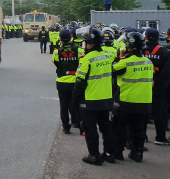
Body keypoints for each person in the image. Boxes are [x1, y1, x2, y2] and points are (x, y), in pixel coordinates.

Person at [70, 27, 115, 165]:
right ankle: (109, 153)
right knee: (106, 127)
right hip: (106, 99)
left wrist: (73, 100)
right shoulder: (108, 57)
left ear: (89, 44)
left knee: (90, 128)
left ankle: (94, 155)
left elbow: (79, 82)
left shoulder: (87, 59)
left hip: (90, 100)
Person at [112, 32, 154, 162]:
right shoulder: (148, 62)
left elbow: (112, 70)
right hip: (144, 102)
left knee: (120, 128)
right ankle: (137, 153)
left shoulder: (125, 63)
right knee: (139, 128)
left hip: (126, 101)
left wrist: (121, 57)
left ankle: (118, 153)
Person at [143, 28, 170, 145]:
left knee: (143, 112)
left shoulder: (140, 50)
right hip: (159, 87)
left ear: (145, 37)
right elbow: (167, 72)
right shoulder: (166, 52)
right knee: (159, 112)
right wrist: (157, 81)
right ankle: (160, 137)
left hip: (142, 86)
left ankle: (142, 136)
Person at [53, 28, 82, 134]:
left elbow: (56, 62)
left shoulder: (56, 53)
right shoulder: (80, 51)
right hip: (76, 82)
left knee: (64, 106)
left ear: (60, 39)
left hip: (62, 82)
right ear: (71, 38)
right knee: (76, 104)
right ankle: (77, 123)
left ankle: (66, 127)